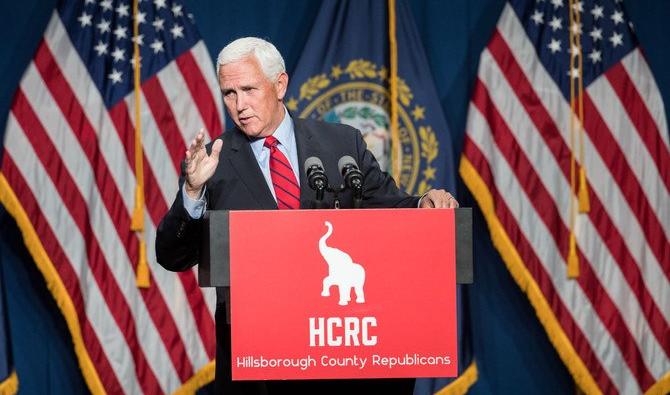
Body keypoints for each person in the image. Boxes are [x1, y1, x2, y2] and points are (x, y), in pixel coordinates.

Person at [155, 37, 459, 395]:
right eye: (229, 93)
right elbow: (172, 256)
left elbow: (386, 204)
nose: (240, 106)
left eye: (249, 89)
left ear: (280, 84)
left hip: (342, 360)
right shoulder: (211, 164)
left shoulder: (342, 144)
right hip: (260, 370)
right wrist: (192, 192)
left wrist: (424, 204)